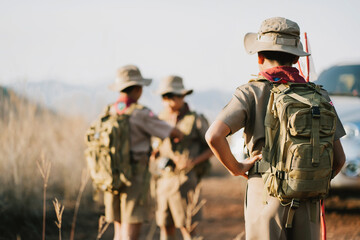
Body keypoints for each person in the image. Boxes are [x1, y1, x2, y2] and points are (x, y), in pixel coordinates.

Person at [205, 17, 346, 240]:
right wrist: (308, 178)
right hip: (308, 197)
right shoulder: (319, 96)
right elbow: (339, 160)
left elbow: (213, 135)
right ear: (296, 57)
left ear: (259, 56)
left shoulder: (251, 92)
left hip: (265, 192)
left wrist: (237, 167)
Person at [104, 65, 183, 240]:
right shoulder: (141, 114)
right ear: (138, 89)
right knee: (131, 229)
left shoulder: (110, 111)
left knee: (118, 230)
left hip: (112, 175)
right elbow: (173, 132)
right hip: (135, 176)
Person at [152, 75, 213, 240]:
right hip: (164, 181)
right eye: (164, 97)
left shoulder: (195, 119)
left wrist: (193, 162)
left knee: (188, 228)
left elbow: (212, 148)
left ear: (182, 96)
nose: (168, 101)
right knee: (166, 227)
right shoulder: (160, 119)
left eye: (171, 96)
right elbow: (156, 146)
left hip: (185, 181)